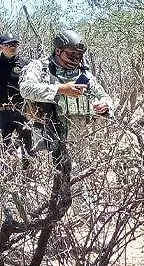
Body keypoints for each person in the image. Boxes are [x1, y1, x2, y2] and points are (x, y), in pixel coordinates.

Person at [20, 30, 113, 173]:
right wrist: (60, 89)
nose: (76, 59)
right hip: (46, 137)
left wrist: (105, 105)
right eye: (72, 55)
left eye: (79, 56)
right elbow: (26, 89)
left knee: (78, 183)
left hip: (77, 140)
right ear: (58, 50)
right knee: (49, 182)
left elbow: (103, 96)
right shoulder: (40, 67)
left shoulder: (84, 74)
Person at [0, 33, 33, 168]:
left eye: (15, 44)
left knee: (27, 145)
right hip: (2, 113)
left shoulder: (26, 64)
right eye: (9, 44)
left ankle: (29, 178)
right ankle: (4, 180)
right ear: (1, 46)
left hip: (22, 111)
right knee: (3, 146)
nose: (13, 46)